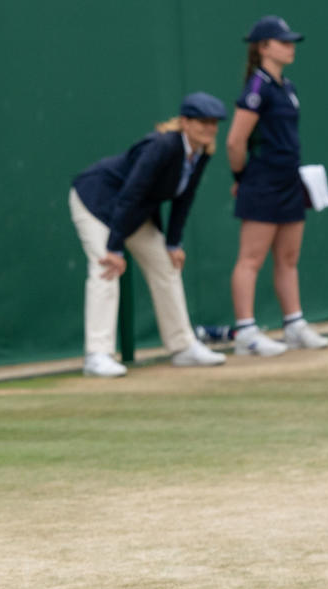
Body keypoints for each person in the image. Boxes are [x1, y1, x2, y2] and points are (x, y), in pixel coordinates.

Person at [69, 92, 229, 378]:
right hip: (96, 200)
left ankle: (183, 347)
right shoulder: (161, 146)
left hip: (132, 210)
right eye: (203, 122)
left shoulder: (202, 151)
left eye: (214, 123)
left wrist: (173, 242)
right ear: (184, 122)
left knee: (166, 266)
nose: (210, 128)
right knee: (106, 268)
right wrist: (115, 249)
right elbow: (132, 193)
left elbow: (184, 199)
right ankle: (97, 355)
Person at [226, 15, 328, 356]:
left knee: (288, 257)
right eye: (283, 42)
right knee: (251, 258)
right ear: (264, 47)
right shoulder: (256, 87)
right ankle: (246, 332)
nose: (290, 48)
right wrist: (241, 178)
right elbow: (235, 141)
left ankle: (294, 325)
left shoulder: (288, 87)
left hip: (290, 180)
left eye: (291, 42)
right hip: (261, 180)